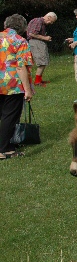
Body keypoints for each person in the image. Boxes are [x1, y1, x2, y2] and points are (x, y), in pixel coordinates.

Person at [0, 14, 34, 159]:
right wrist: (27, 89)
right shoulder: (20, 41)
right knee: (10, 116)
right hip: (12, 85)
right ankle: (4, 149)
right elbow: (21, 67)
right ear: (22, 28)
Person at [26, 11, 57, 86]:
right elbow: (32, 33)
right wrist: (45, 38)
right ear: (48, 17)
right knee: (42, 61)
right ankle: (37, 82)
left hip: (38, 42)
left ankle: (39, 80)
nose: (51, 23)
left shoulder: (40, 23)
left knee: (44, 60)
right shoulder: (38, 21)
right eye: (51, 21)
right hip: (36, 42)